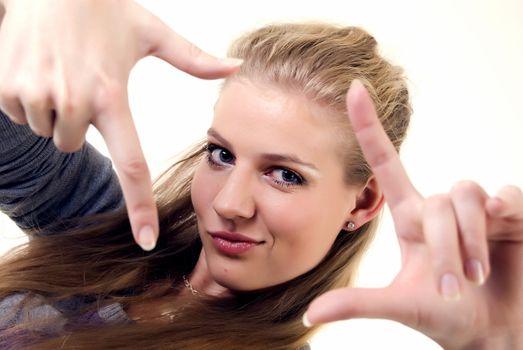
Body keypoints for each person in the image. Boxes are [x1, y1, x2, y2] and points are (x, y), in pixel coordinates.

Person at [0, 1, 522, 350]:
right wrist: (29, 17)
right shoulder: (102, 232)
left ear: (361, 203)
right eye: (222, 155)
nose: (230, 203)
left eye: (285, 175)